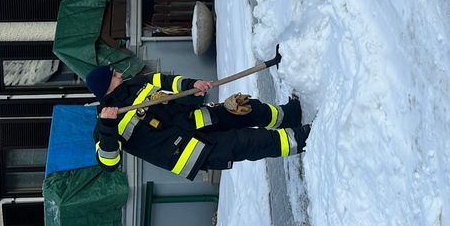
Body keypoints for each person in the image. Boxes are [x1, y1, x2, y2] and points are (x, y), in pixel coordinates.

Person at [86, 64, 311, 180]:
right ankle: (302, 140)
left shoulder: (135, 84)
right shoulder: (104, 125)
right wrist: (107, 126)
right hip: (189, 151)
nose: (119, 74)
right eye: (114, 74)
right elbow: (109, 163)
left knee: (246, 108)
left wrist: (192, 85)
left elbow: (166, 80)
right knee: (247, 141)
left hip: (199, 119)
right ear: (107, 85)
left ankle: (287, 115)